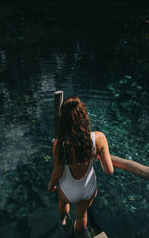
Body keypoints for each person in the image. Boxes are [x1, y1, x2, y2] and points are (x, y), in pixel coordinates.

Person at [48, 96, 113, 237]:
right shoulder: (99, 138)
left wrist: (52, 184)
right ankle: (76, 234)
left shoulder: (59, 143)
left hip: (68, 190)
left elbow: (57, 172)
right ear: (84, 116)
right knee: (81, 216)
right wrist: (98, 155)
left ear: (64, 119)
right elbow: (109, 170)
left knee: (63, 202)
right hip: (88, 189)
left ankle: (64, 221)